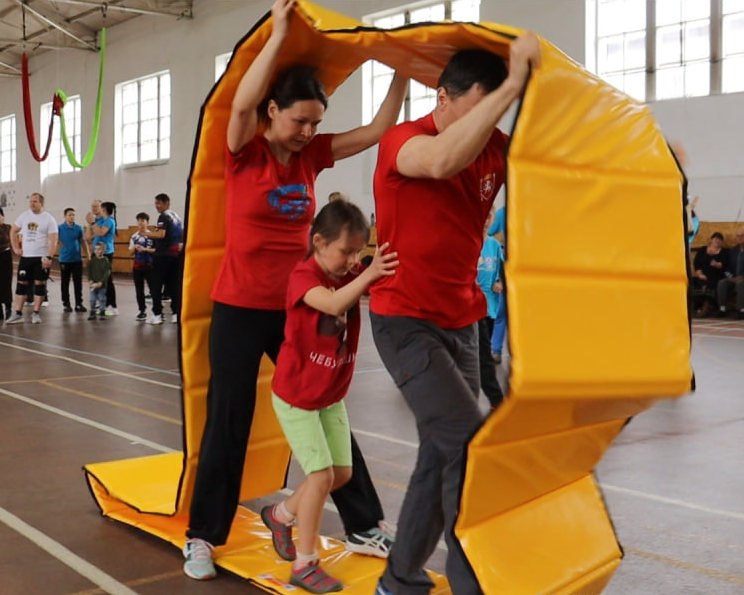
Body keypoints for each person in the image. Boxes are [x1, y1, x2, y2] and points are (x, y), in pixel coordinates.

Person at [182, 0, 408, 582]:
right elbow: (239, 104)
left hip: (298, 308)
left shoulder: (313, 156)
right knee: (228, 420)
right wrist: (280, 32)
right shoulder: (243, 151)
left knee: (327, 404)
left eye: (315, 122)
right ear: (273, 110)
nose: (307, 131)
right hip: (239, 306)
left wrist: (402, 73)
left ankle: (363, 523)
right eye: (298, 120)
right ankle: (203, 535)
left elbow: (376, 131)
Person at [369, 36, 540, 594]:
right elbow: (442, 161)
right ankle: (474, 585)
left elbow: (555, 169)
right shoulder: (403, 141)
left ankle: (399, 580)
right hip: (405, 321)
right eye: (481, 107)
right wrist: (513, 85)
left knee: (439, 452)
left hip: (462, 322)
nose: (488, 125)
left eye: (496, 112)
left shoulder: (494, 147)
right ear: (442, 97)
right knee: (467, 445)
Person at [262, 200, 398, 592]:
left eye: (358, 252)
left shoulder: (350, 272)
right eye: (345, 251)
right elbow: (334, 302)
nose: (352, 260)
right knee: (320, 477)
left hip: (329, 395)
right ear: (319, 242)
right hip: (297, 397)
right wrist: (369, 272)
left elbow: (369, 280)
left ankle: (281, 514)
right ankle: (304, 564)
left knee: (342, 474)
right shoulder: (303, 277)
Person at [5, 193, 58, 325]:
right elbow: (13, 230)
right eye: (30, 201)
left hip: (41, 257)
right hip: (26, 257)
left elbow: (53, 240)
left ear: (41, 203)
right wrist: (15, 247)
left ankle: (36, 313)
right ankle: (18, 314)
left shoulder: (49, 219)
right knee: (21, 284)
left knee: (39, 284)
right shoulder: (24, 216)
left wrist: (49, 257)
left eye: (35, 201)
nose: (32, 204)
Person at [476, 210, 505, 409]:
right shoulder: (469, 243)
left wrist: (500, 282)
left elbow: (503, 270)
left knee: (483, 354)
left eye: (489, 216)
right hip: (472, 309)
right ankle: (496, 399)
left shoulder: (494, 246)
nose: (485, 221)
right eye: (482, 216)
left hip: (490, 308)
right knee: (482, 355)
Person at [142, 193, 182, 325]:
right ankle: (176, 313)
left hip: (162, 256)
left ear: (167, 203)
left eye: (159, 203)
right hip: (175, 256)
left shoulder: (163, 216)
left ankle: (157, 314)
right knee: (174, 286)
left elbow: (161, 234)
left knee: (156, 285)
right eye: (156, 203)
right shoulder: (176, 217)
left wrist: (146, 234)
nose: (157, 206)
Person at [86, 200, 118, 316]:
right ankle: (101, 302)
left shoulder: (109, 221)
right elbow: (89, 237)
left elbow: (101, 232)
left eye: (99, 207)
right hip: (96, 252)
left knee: (107, 279)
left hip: (106, 253)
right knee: (96, 278)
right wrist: (90, 225)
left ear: (103, 210)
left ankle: (112, 305)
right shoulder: (99, 221)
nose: (95, 209)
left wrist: (92, 223)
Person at [58, 207, 89, 313]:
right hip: (64, 260)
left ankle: (79, 304)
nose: (72, 217)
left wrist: (88, 255)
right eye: (70, 215)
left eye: (73, 215)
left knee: (78, 283)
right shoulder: (60, 228)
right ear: (65, 216)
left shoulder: (78, 228)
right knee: (65, 283)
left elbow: (83, 242)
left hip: (76, 260)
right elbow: (54, 241)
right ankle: (66, 304)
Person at [692, 232, 728, 317]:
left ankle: (707, 307)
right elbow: (696, 263)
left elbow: (724, 265)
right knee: (695, 282)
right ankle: (698, 308)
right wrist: (699, 274)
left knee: (710, 284)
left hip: (716, 276)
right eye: (715, 239)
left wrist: (717, 264)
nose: (717, 241)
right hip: (702, 275)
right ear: (711, 240)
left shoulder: (724, 252)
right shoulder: (703, 249)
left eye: (719, 239)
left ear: (722, 242)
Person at [129, 212, 156, 322]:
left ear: (147, 222)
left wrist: (145, 249)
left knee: (154, 289)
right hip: (137, 267)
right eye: (139, 221)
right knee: (139, 290)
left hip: (150, 266)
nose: (141, 223)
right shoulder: (134, 236)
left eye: (143, 221)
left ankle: (157, 311)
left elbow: (156, 250)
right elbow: (130, 252)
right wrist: (135, 247)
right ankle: (142, 311)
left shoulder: (153, 235)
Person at [716, 226, 744, 319]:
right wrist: (730, 277)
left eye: (742, 236)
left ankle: (741, 310)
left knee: (740, 283)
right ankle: (722, 309)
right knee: (722, 282)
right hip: (734, 278)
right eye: (738, 236)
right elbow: (727, 267)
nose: (739, 238)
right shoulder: (733, 250)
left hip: (742, 279)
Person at [87, 242, 111, 321]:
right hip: (93, 284)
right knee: (92, 299)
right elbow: (89, 271)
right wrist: (90, 280)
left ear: (103, 250)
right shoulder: (92, 261)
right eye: (96, 249)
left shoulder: (106, 260)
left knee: (102, 299)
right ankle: (92, 313)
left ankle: (102, 313)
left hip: (102, 285)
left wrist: (101, 282)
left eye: (99, 249)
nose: (97, 251)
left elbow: (107, 273)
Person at [0, 207, 12, 321]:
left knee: (7, 283)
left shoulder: (8, 227)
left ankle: (8, 308)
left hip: (6, 256)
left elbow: (11, 241)